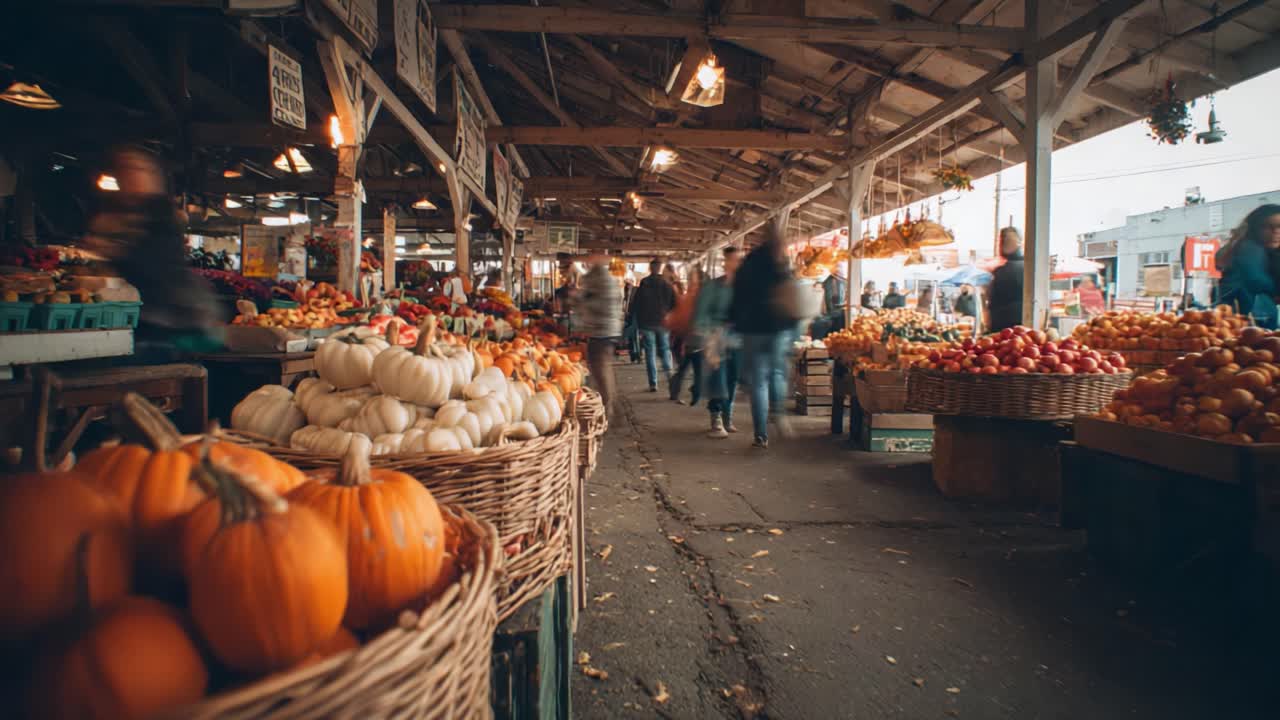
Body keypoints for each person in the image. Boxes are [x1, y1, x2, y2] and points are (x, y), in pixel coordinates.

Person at [83, 146, 222, 359]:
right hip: (138, 318)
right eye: (124, 170)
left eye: (136, 169)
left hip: (168, 321)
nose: (129, 176)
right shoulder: (116, 210)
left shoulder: (162, 216)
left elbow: (156, 265)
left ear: (152, 176)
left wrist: (116, 247)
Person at [730, 223, 795, 449]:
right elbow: (793, 296)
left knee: (758, 381)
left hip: (752, 329)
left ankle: (761, 434)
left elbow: (736, 294)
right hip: (777, 328)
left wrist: (735, 322)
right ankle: (778, 412)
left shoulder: (749, 262)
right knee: (777, 372)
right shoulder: (782, 263)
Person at [696, 247, 742, 437]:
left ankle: (727, 415)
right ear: (726, 262)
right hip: (716, 338)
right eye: (733, 260)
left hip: (739, 339)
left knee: (733, 378)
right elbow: (701, 315)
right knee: (718, 378)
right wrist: (709, 336)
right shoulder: (713, 287)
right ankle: (716, 418)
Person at [574, 253, 623, 419]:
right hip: (605, 330)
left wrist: (582, 300)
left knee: (600, 369)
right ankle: (610, 404)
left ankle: (608, 408)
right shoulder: (602, 279)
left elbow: (600, 305)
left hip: (602, 331)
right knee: (603, 368)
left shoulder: (602, 280)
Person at [1215, 204, 1280, 328]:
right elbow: (1258, 281)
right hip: (1249, 322)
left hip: (1251, 321)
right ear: (1255, 228)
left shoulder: (1269, 252)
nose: (1276, 231)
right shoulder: (1249, 248)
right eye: (1268, 226)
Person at [629, 259, 677, 391]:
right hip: (663, 323)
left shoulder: (644, 282)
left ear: (651, 268)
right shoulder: (667, 284)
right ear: (660, 268)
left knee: (650, 353)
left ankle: (653, 383)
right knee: (665, 350)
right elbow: (675, 304)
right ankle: (670, 379)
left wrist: (634, 319)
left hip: (646, 323)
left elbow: (636, 303)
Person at [668, 267, 705, 405]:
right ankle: (678, 391)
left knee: (692, 370)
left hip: (696, 340)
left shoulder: (696, 297)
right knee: (685, 369)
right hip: (686, 341)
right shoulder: (688, 298)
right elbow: (679, 318)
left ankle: (692, 390)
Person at [988, 227, 1025, 331]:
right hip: (1007, 331)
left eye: (1007, 239)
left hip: (1009, 329)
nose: (1002, 243)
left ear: (1019, 242)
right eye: (1001, 239)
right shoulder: (1002, 269)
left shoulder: (1016, 269)